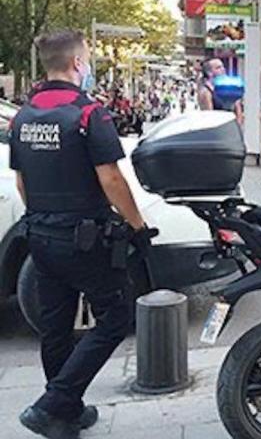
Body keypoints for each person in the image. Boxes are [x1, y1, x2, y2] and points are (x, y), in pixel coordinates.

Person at [11, 30, 155, 439]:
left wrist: (44, 217)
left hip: (39, 234)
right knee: (114, 317)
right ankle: (53, 404)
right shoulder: (89, 113)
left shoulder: (24, 115)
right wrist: (137, 226)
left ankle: (65, 414)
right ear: (77, 64)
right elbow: (111, 178)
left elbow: (22, 183)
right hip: (84, 238)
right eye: (87, 59)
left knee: (55, 328)